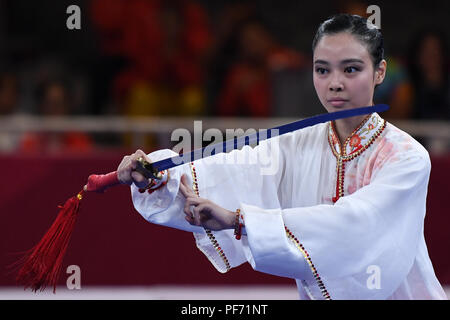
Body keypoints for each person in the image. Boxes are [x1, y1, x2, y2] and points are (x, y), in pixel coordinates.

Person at [116, 14, 447, 300]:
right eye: (322, 70)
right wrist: (158, 175)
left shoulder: (408, 158)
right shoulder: (296, 144)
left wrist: (239, 221)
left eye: (350, 69)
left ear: (379, 72)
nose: (334, 84)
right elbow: (234, 170)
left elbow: (357, 226)